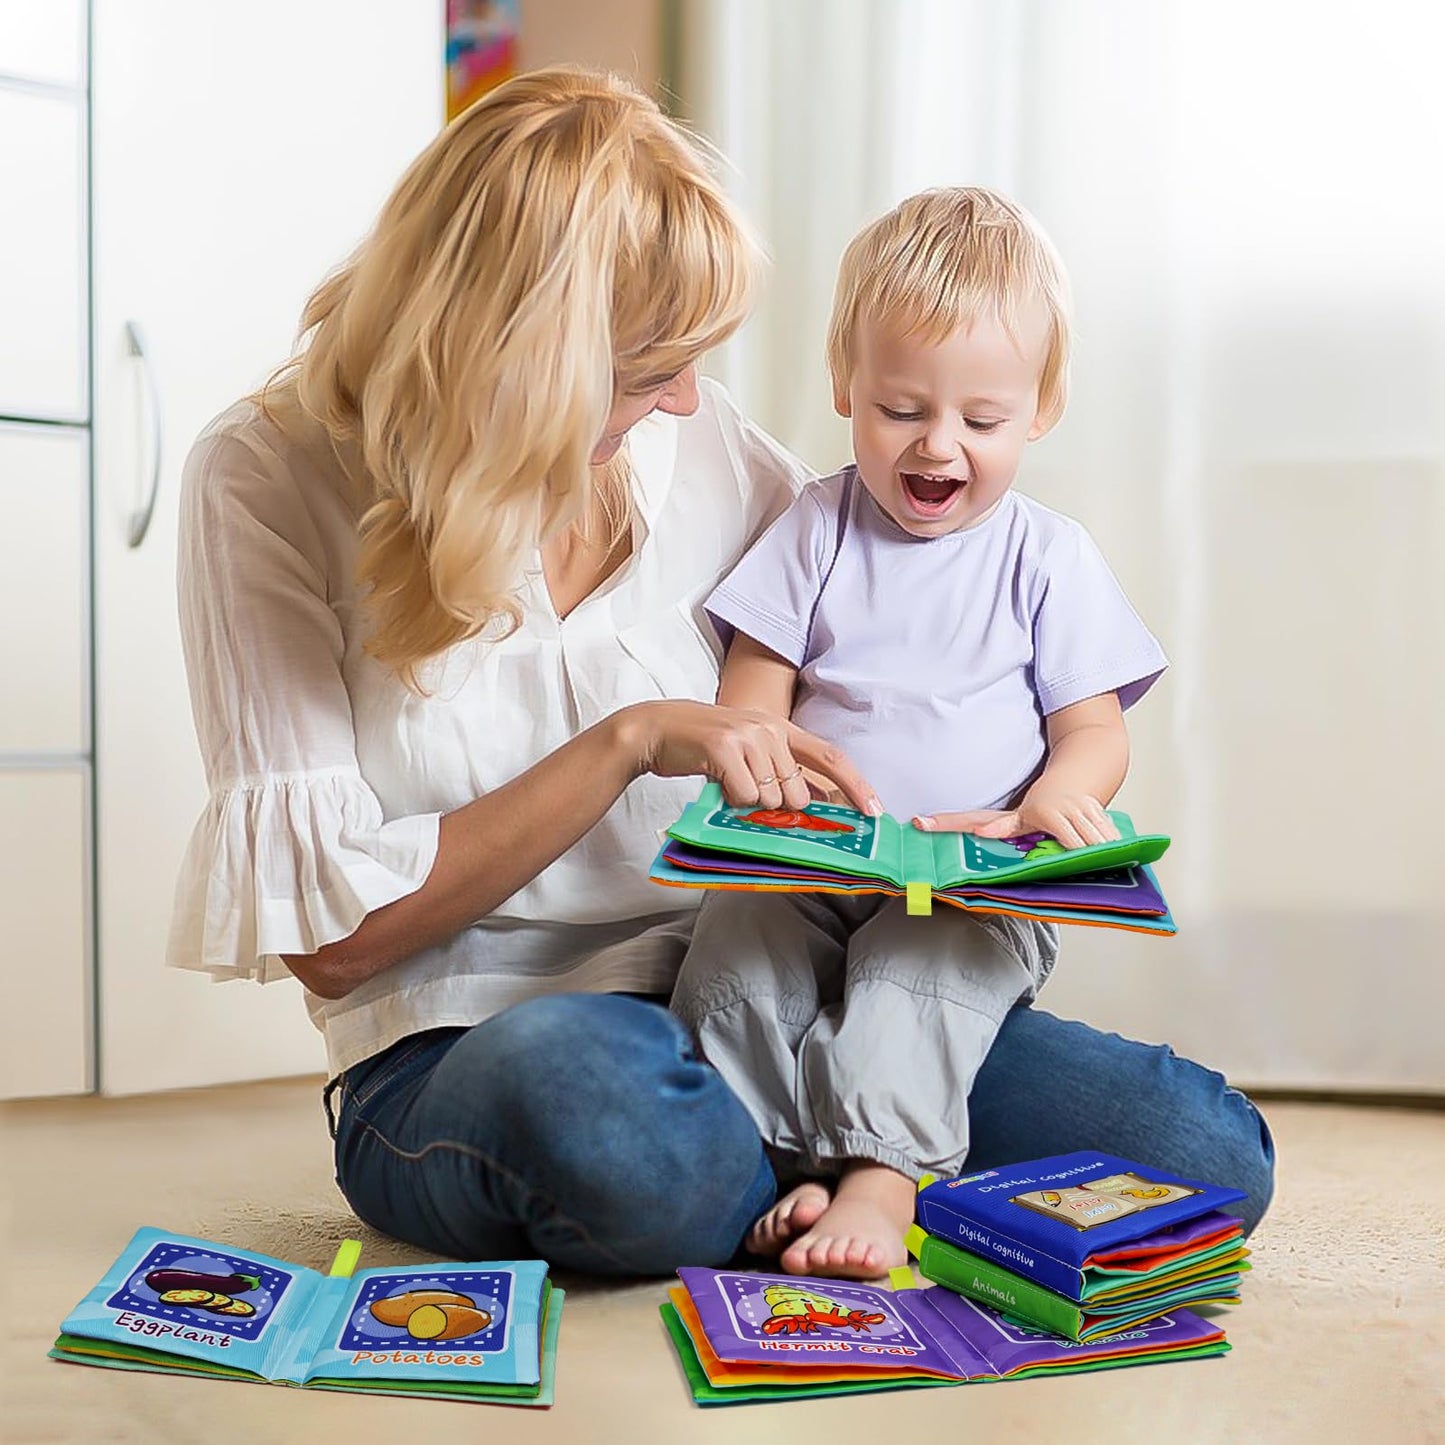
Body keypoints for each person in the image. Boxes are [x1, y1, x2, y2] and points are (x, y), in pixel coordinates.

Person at [168, 70, 1273, 1278]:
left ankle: (836, 1164)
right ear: (522, 361)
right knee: (619, 1122)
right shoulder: (265, 477)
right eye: (649, 370)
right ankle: (839, 1161)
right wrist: (626, 741)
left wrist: (997, 805)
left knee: (1197, 1150)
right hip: (475, 1038)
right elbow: (333, 942)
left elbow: (866, 619)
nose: (688, 400)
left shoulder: (691, 440)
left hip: (761, 983)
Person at [671, 187, 1242, 1279]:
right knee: (732, 957)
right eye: (898, 408)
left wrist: (1054, 795)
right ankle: (787, 1163)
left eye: (980, 420)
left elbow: (1091, 727)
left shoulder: (1045, 555)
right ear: (843, 383)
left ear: (1039, 406)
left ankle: (883, 1175)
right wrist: (759, 773)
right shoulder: (816, 524)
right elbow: (755, 685)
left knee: (909, 974)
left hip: (971, 881)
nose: (938, 446)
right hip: (813, 856)